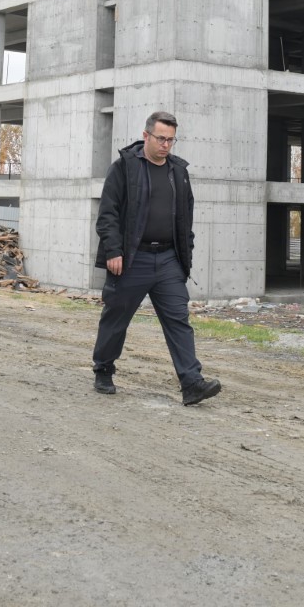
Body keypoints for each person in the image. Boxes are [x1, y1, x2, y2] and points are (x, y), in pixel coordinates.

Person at [90, 111, 220, 405]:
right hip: (132, 259)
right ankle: (104, 369)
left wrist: (186, 253)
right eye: (161, 138)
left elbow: (185, 216)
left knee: (179, 320)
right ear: (146, 135)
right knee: (116, 319)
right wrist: (114, 250)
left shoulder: (178, 171)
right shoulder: (124, 168)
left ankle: (192, 384)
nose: (166, 145)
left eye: (171, 140)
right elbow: (107, 214)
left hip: (168, 260)